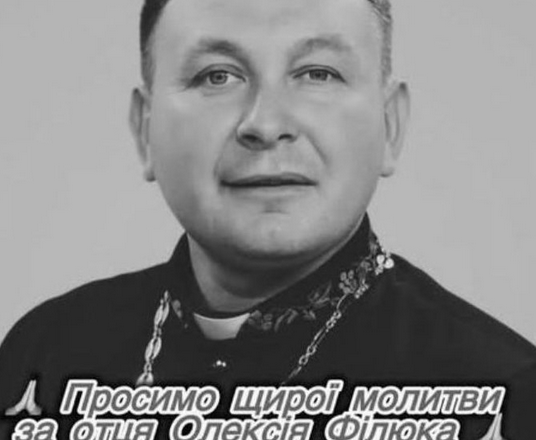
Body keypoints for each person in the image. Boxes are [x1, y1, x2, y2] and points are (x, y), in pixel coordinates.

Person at [1, 0, 535, 438]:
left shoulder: (504, 392)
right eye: (217, 76)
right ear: (145, 130)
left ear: (390, 125)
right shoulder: (41, 360)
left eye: (318, 73)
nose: (266, 123)